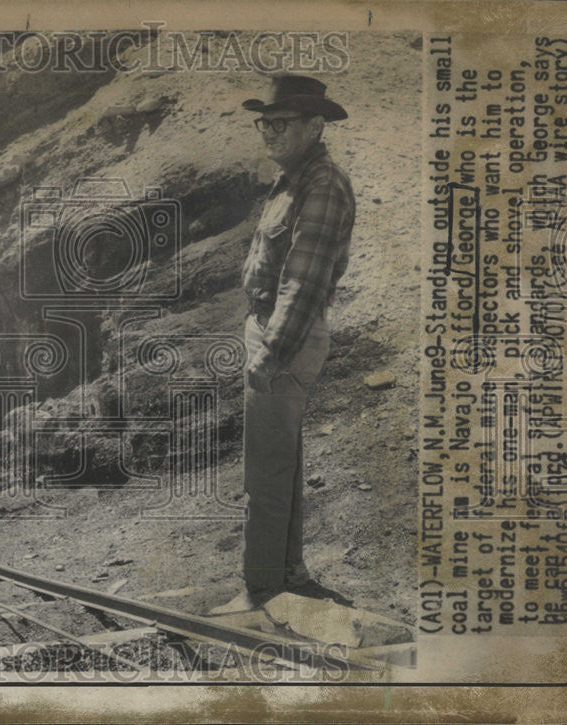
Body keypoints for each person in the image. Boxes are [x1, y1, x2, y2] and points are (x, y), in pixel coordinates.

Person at [211, 75, 356, 615]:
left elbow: (304, 281)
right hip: (273, 329)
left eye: (282, 123)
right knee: (282, 463)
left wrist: (269, 353)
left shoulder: (322, 185)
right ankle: (288, 575)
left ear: (315, 127)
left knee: (266, 470)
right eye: (265, 122)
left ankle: (261, 591)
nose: (270, 132)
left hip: (285, 336)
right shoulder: (292, 179)